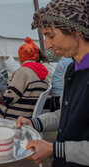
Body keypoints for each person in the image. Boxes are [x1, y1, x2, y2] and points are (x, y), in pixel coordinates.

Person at [16, 0, 89, 166]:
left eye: (51, 35)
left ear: (76, 30)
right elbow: (65, 114)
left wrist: (52, 149)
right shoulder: (71, 70)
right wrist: (34, 123)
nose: (47, 45)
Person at [0, 37, 48, 119]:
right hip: (28, 113)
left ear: (21, 57)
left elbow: (9, 98)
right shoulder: (44, 75)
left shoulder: (23, 71)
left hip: (15, 114)